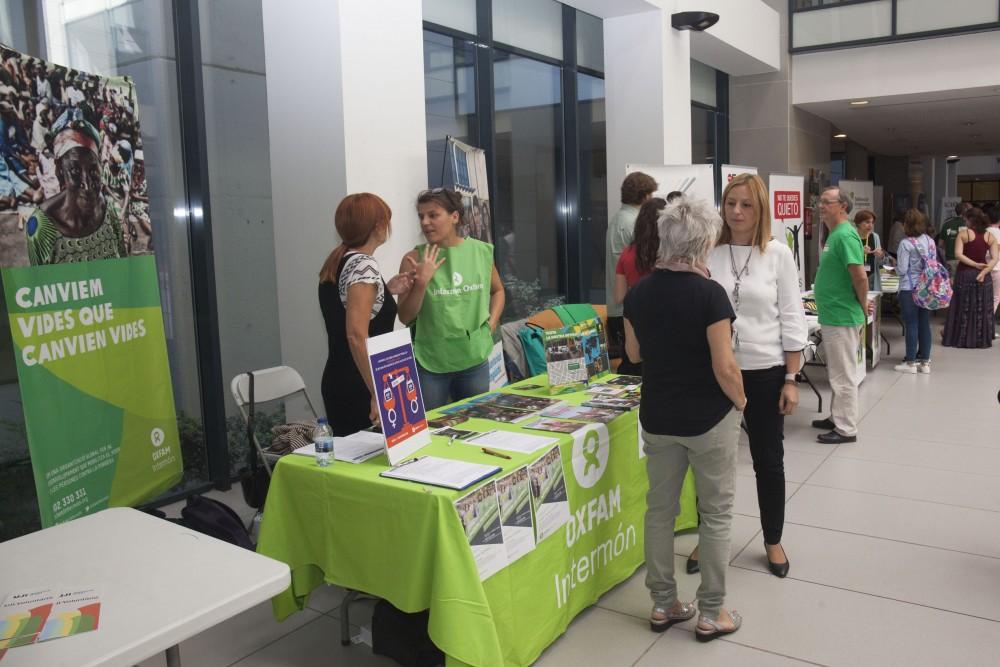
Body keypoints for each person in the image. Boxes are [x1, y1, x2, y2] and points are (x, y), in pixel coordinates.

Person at [623, 196, 745, 641]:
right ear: (704, 242)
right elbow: (725, 366)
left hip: (659, 416)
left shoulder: (639, 293)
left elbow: (634, 354)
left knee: (659, 511)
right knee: (716, 513)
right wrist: (742, 401)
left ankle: (663, 603)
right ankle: (711, 612)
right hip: (709, 419)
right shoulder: (710, 295)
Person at [691, 173, 807, 579]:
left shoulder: (778, 254)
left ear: (761, 210)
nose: (736, 212)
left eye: (746, 205)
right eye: (730, 203)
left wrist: (791, 378)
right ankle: (707, 537)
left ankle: (772, 539)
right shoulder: (709, 251)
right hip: (715, 372)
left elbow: (792, 317)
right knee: (709, 462)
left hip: (764, 373)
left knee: (768, 461)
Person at [397, 188, 505, 409]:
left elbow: (498, 291)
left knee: (475, 421)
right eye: (421, 216)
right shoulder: (413, 259)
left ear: (454, 216)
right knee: (432, 426)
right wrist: (421, 283)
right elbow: (405, 317)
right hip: (430, 364)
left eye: (433, 215)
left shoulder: (481, 252)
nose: (425, 222)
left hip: (474, 359)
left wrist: (491, 325)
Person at [319, 193, 414, 436]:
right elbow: (355, 334)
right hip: (362, 384)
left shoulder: (339, 260)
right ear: (378, 225)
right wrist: (378, 392)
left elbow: (347, 309)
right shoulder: (364, 265)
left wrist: (385, 291)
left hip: (341, 378)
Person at [24, 109, 126, 264]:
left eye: (93, 170)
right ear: (59, 171)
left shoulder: (110, 210)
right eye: (75, 170)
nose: (87, 184)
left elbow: (123, 266)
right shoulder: (40, 227)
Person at [811, 187, 871, 445]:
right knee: (837, 371)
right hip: (834, 313)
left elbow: (860, 276)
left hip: (841, 315)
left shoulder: (845, 235)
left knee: (843, 374)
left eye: (827, 202)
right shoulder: (835, 234)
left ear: (843, 206)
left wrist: (862, 304)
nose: (821, 206)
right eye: (820, 201)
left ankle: (846, 428)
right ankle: (837, 416)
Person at [605, 171, 657, 356]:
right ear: (645, 196)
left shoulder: (617, 220)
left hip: (618, 307)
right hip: (631, 310)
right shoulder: (635, 224)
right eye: (651, 194)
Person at [613, 197, 666, 375]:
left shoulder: (626, 254)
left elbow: (619, 296)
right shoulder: (668, 253)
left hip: (634, 321)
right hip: (662, 323)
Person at [942, 207, 997, 348]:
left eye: (966, 219)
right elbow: (995, 258)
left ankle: (960, 338)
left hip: (965, 273)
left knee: (962, 305)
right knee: (981, 307)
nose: (964, 221)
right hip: (983, 275)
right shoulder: (989, 236)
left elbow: (958, 254)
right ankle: (980, 339)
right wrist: (984, 271)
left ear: (971, 220)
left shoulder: (963, 234)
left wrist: (974, 264)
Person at [893, 209, 936, 373]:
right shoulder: (930, 241)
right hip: (927, 288)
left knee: (911, 324)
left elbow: (902, 269)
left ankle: (910, 362)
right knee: (924, 323)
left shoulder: (905, 244)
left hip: (909, 288)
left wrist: (894, 266)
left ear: (907, 225)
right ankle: (925, 363)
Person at [937, 201, 972, 276]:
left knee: (951, 280)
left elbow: (940, 244)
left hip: (950, 259)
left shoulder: (946, 223)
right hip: (965, 259)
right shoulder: (969, 224)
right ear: (966, 211)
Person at [854, 209, 884, 291]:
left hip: (872, 276)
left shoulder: (875, 237)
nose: (870, 225)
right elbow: (847, 257)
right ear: (858, 223)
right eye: (867, 222)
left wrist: (881, 256)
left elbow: (880, 261)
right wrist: (861, 252)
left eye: (872, 222)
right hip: (855, 276)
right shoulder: (852, 237)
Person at [986, 204, 1000, 328]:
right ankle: (987, 325)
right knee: (995, 298)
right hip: (996, 268)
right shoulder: (998, 233)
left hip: (983, 268)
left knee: (984, 297)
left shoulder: (984, 232)